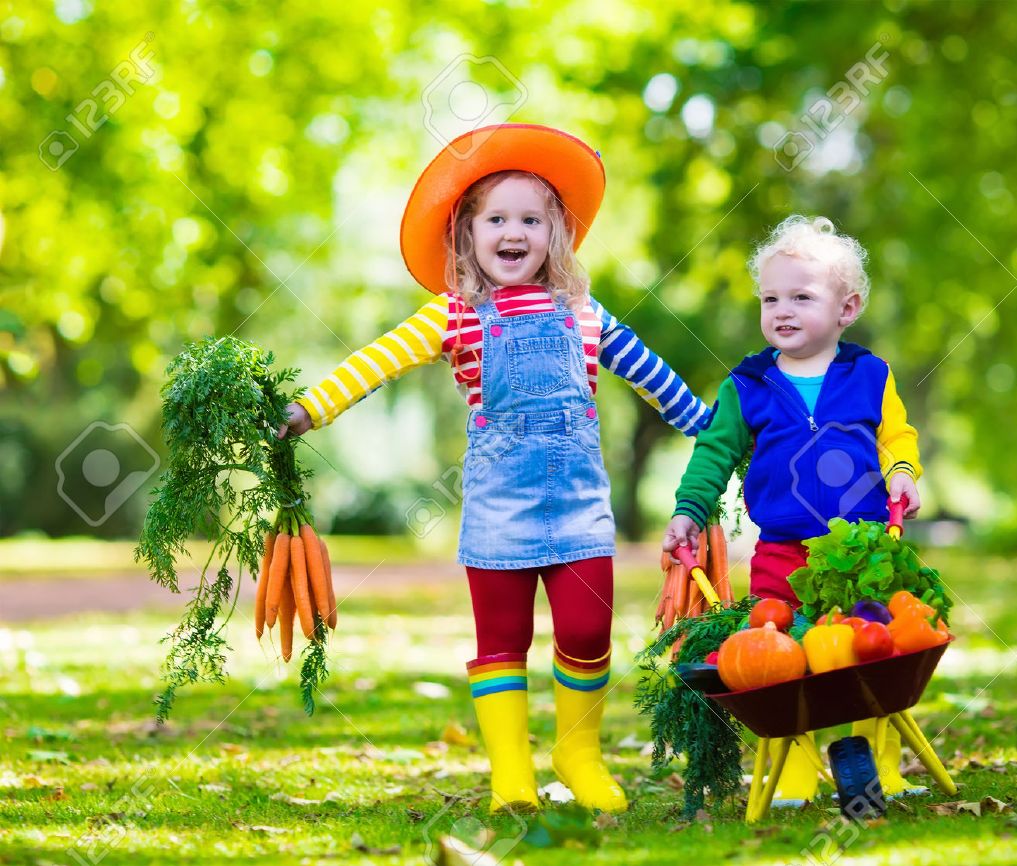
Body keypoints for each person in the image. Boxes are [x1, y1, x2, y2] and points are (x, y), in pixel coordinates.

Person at [280, 124, 710, 814]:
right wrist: (309, 410)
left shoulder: (585, 314)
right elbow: (375, 362)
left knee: (586, 633)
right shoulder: (454, 316)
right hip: (498, 509)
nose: (515, 233)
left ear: (556, 233)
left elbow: (658, 380)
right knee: (501, 642)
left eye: (531, 220)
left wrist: (713, 429)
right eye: (497, 219)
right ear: (467, 233)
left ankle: (578, 753)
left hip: (579, 509)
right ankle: (511, 770)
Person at [662, 214, 923, 804]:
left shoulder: (869, 374)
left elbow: (896, 437)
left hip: (863, 550)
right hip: (780, 550)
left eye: (801, 297)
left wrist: (903, 474)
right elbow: (714, 453)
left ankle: (883, 768)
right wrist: (687, 509)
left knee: (874, 654)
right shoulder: (747, 384)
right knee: (779, 659)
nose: (781, 310)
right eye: (770, 298)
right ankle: (797, 772)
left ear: (846, 309)